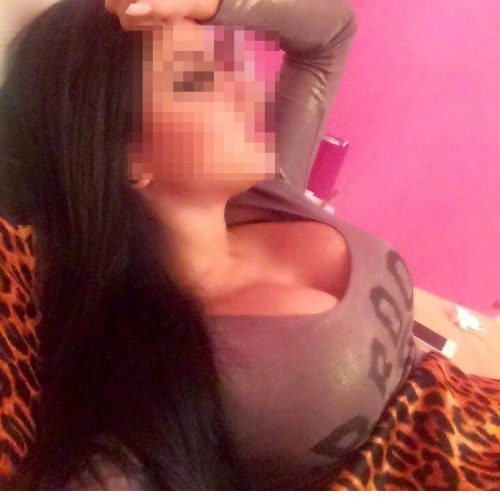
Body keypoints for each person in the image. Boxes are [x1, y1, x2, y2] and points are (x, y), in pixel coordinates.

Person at [0, 0, 421, 490]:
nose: (246, 88)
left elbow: (332, 34)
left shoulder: (271, 189)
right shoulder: (167, 381)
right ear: (127, 157)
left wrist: (210, 4)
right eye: (197, 80)